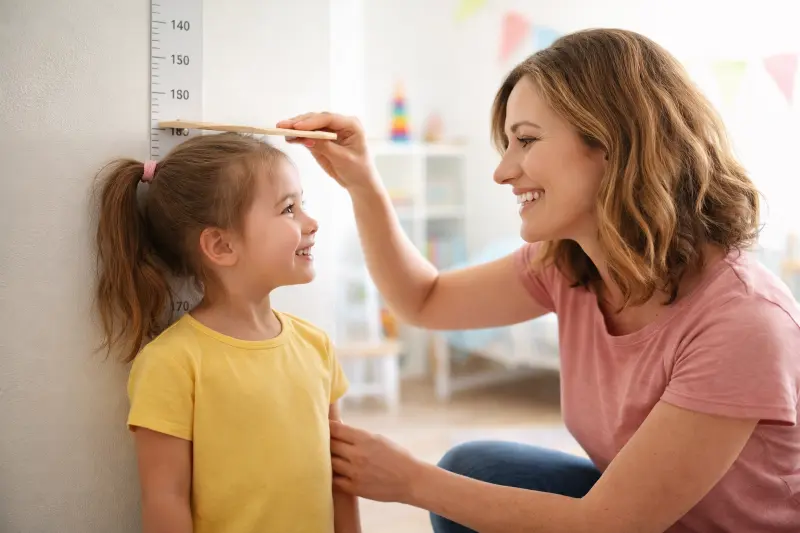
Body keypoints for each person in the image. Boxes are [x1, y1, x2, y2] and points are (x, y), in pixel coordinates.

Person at [277, 28, 800, 533]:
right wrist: (363, 182)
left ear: (613, 144)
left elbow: (612, 525)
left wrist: (411, 481)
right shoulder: (565, 266)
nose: (503, 172)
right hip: (642, 519)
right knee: (475, 466)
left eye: (525, 140)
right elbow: (425, 301)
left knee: (452, 481)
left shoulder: (743, 320)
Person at [92, 133, 361, 533]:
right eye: (289, 209)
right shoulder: (172, 363)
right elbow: (165, 500)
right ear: (220, 245)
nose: (311, 222)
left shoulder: (316, 345)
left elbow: (341, 476)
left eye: (302, 204)